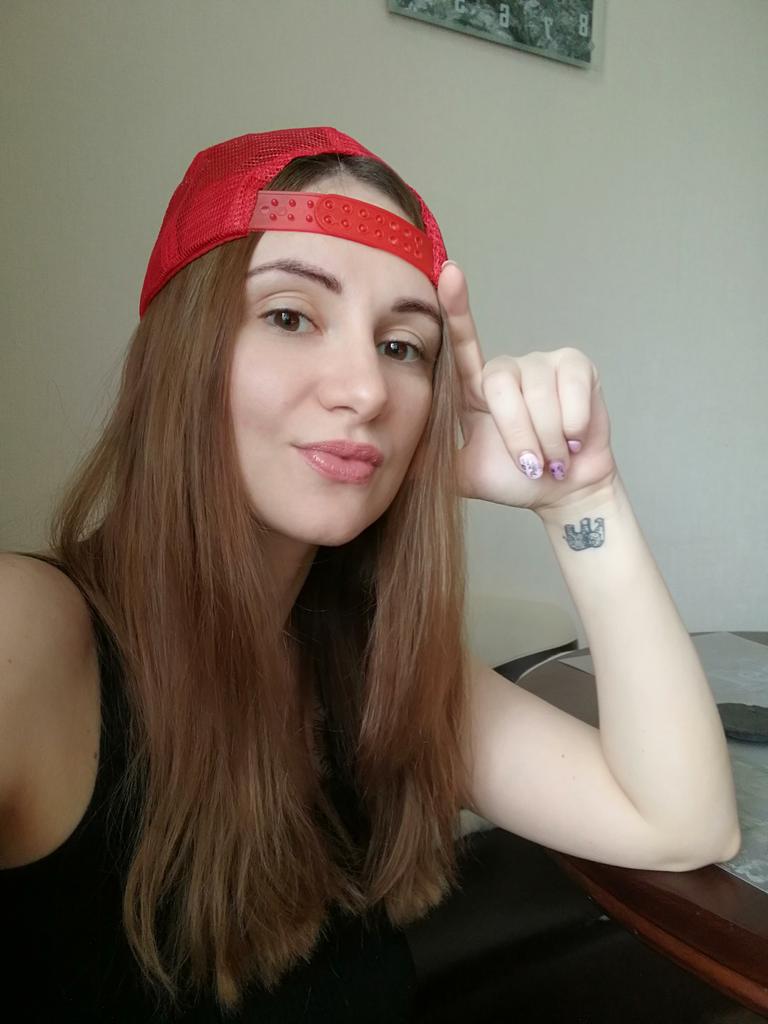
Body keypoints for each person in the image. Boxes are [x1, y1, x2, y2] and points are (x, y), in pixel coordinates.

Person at [0, 126, 741, 1022]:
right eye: (290, 316)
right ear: (180, 352)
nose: (366, 388)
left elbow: (682, 823)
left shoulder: (376, 661)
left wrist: (583, 496)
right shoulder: (26, 633)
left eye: (402, 346)